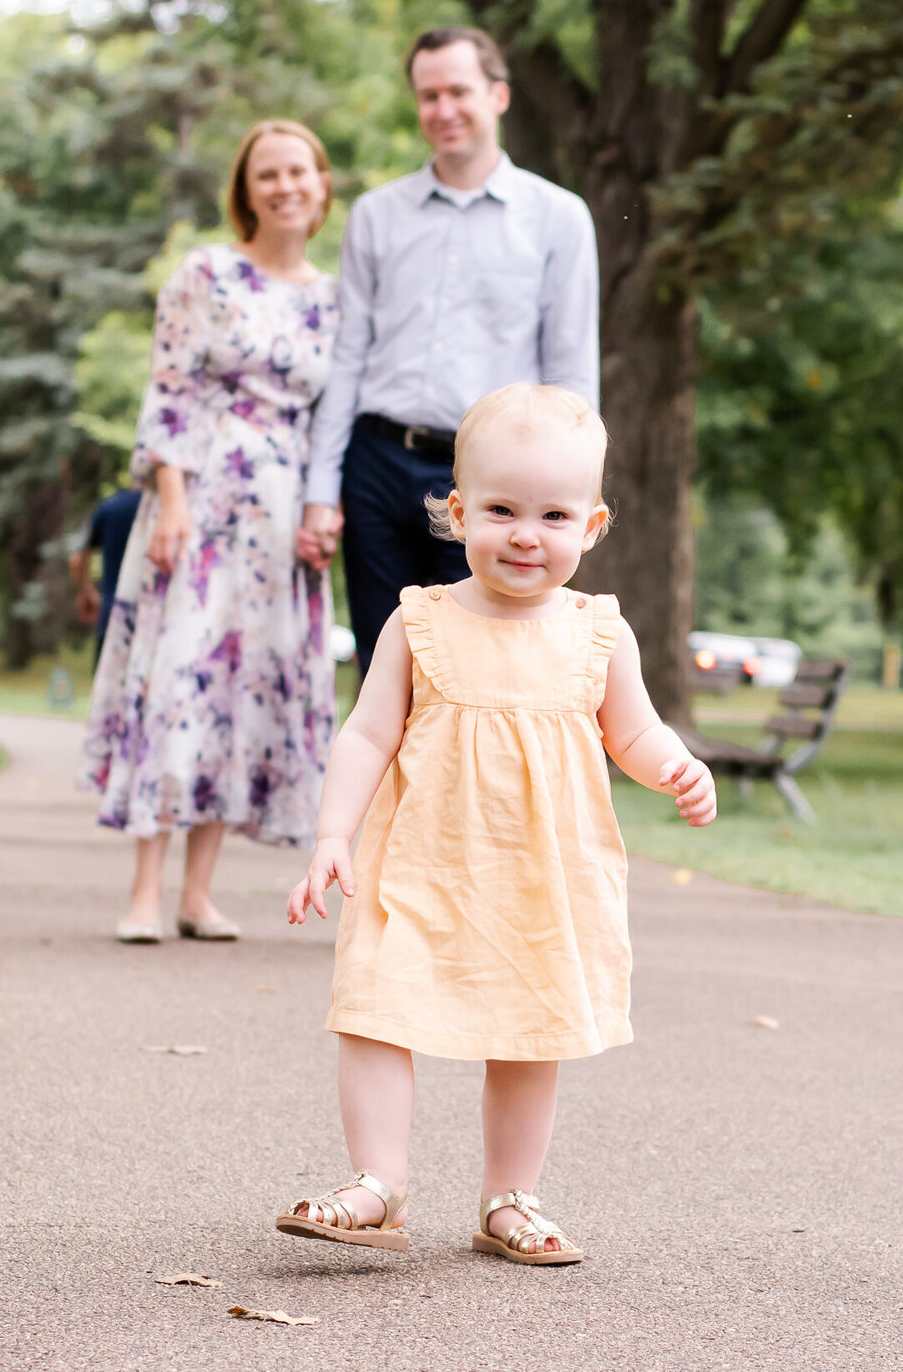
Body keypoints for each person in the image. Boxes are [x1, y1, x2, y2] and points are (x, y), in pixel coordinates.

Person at [277, 384, 715, 1263]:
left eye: (553, 515)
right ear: (455, 512)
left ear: (592, 526)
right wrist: (332, 834)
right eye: (502, 509)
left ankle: (508, 1196)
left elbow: (630, 730)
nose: (526, 533)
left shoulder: (600, 633)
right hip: (419, 866)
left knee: (529, 1028)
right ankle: (378, 1183)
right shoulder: (420, 620)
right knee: (375, 1008)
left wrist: (674, 765)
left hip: (537, 878)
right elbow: (367, 732)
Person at [80, 119, 340, 945]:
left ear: (322, 184)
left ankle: (199, 893)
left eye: (298, 170)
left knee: (240, 689)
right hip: (203, 494)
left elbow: (333, 415)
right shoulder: (206, 273)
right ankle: (144, 893)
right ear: (246, 190)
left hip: (282, 512)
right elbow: (170, 389)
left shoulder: (334, 297)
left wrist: (318, 512)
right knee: (179, 673)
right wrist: (172, 498)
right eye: (267, 174)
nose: (285, 185)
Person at [298, 26, 599, 671]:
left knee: (473, 669)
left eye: (458, 91)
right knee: (384, 670)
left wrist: (562, 506)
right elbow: (348, 357)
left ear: (498, 95)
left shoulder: (559, 217)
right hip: (376, 464)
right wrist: (322, 489)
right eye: (428, 95)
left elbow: (571, 376)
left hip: (491, 481)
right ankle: (382, 780)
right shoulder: (376, 216)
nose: (444, 110)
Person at [68, 487, 142, 666]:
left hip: (113, 614)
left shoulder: (108, 507)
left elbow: (77, 560)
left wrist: (88, 594)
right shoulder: (170, 505)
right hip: (156, 619)